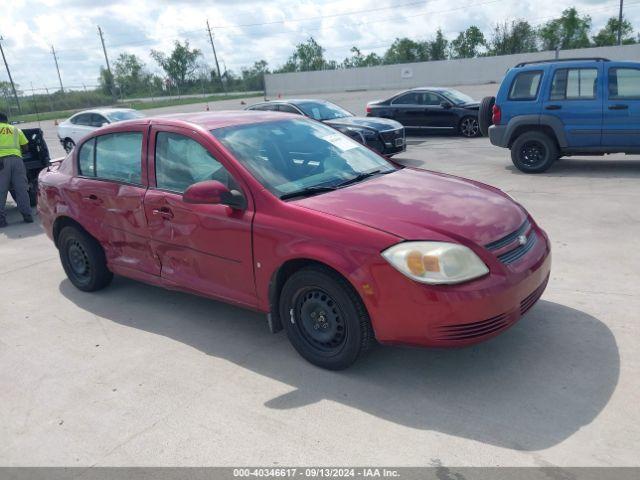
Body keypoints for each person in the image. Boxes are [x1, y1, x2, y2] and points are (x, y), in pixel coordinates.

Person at [0, 112, 33, 228]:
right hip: (17, 161)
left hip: (1, 163)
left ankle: (1, 220)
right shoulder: (15, 129)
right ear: (6, 120)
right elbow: (25, 146)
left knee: (1, 191)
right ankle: (27, 215)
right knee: (21, 189)